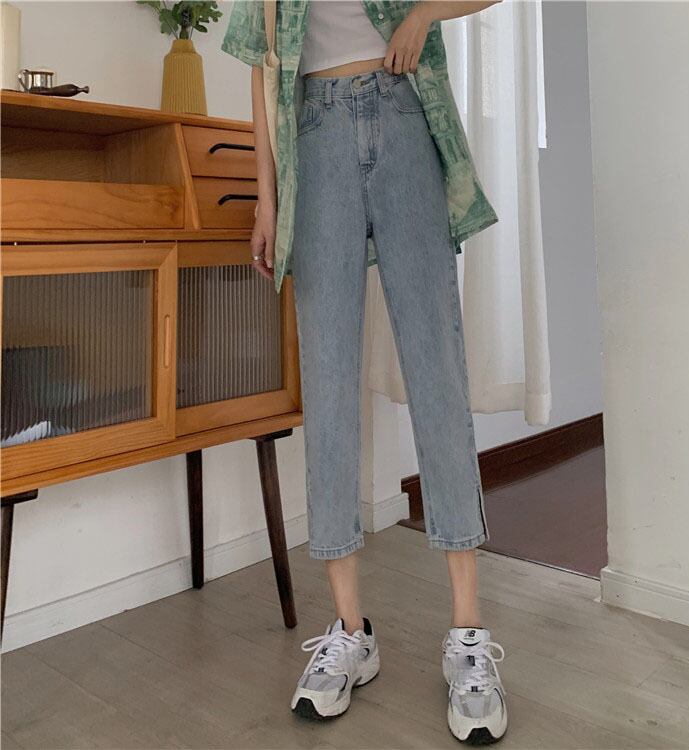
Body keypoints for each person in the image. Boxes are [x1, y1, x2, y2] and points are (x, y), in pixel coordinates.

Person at [221, 0, 507, 743]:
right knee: (328, 380)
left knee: (437, 370)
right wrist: (265, 198)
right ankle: (351, 631)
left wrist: (424, 14)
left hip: (402, 114)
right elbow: (263, 71)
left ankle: (468, 635)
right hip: (313, 137)